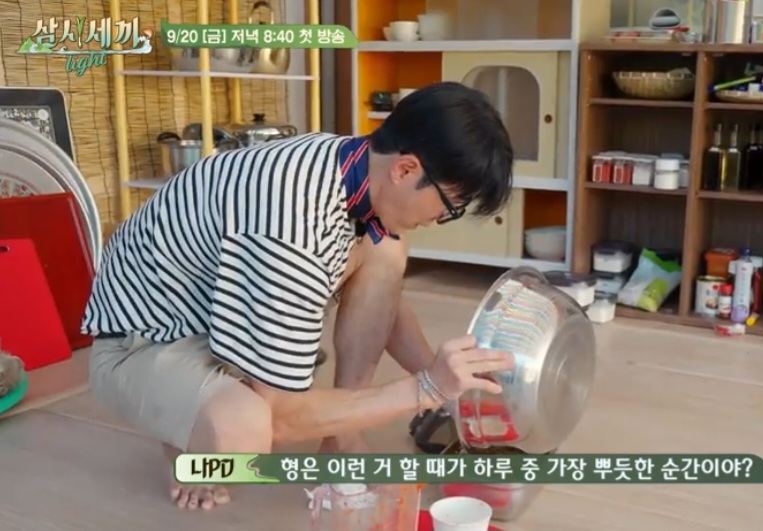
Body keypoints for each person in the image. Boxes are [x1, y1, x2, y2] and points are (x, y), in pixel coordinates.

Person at [81, 81, 516, 511]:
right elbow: (284, 417)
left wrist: (458, 394)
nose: (442, 218)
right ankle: (183, 440)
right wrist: (425, 388)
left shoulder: (351, 162)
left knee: (384, 247)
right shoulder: (292, 230)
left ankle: (341, 437)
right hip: (141, 343)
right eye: (450, 206)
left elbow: (385, 306)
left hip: (214, 309)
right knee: (244, 434)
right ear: (405, 169)